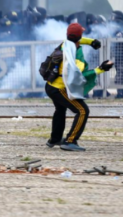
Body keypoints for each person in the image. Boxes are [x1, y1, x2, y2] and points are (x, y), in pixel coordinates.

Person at [45, 23, 112, 152]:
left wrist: (92, 42)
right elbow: (79, 75)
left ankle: (55, 139)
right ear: (79, 36)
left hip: (50, 85)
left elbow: (77, 39)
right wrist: (101, 69)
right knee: (82, 111)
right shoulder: (75, 55)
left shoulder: (65, 43)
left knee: (60, 110)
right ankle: (70, 141)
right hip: (59, 89)